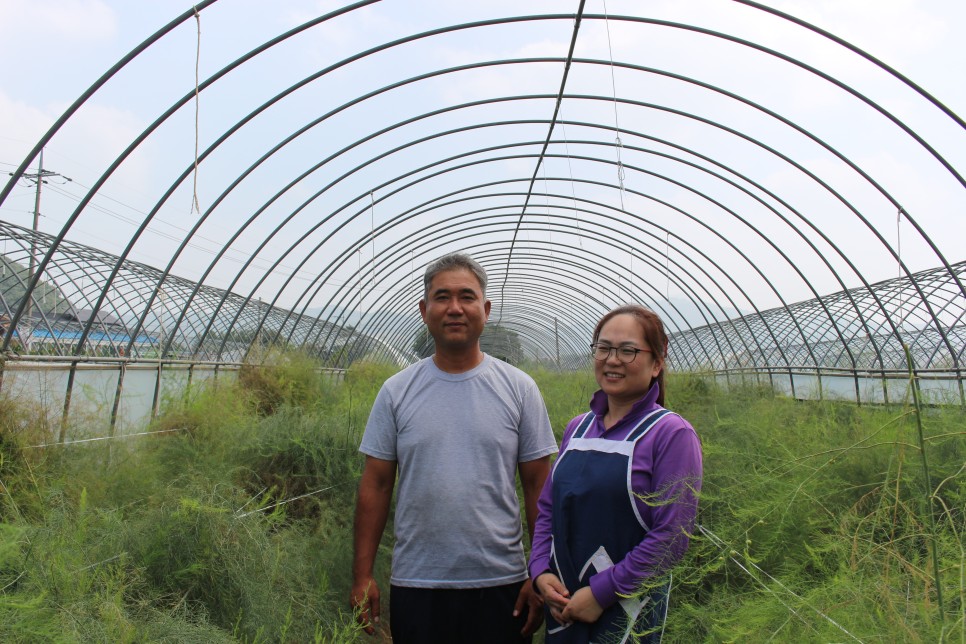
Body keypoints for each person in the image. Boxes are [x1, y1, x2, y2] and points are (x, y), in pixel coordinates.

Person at [350, 252, 557, 643]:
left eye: (467, 296)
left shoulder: (519, 388)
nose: (455, 308)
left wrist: (540, 570)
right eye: (442, 297)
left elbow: (538, 487)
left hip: (503, 582)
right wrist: (362, 576)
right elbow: (375, 485)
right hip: (418, 583)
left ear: (486, 309)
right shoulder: (396, 391)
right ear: (424, 310)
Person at [528, 305, 703, 643]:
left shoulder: (670, 434)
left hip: (627, 609)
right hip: (563, 602)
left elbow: (672, 538)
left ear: (658, 362)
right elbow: (548, 508)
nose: (612, 359)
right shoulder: (579, 428)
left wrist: (601, 593)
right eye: (604, 348)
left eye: (628, 351)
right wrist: (539, 571)